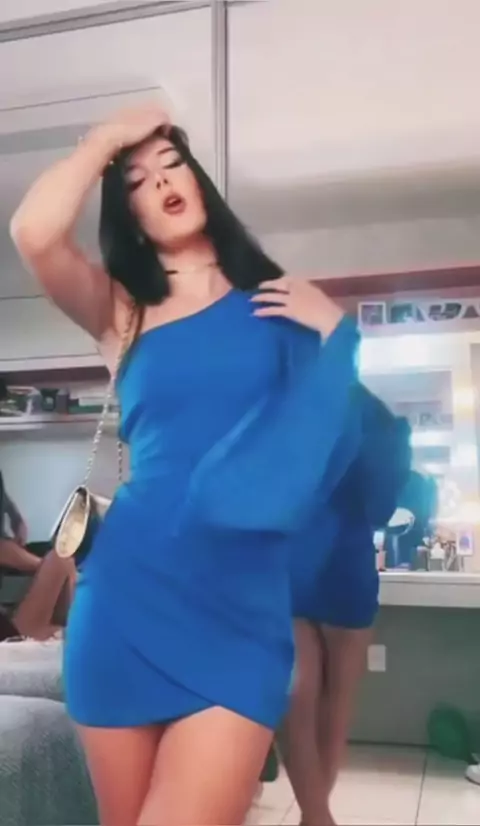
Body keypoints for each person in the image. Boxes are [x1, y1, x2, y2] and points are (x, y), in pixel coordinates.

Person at [10, 104, 360, 826]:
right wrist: (107, 141)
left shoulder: (279, 306)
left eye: (173, 166)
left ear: (200, 183)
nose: (162, 182)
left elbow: (325, 453)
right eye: (138, 181)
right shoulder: (124, 308)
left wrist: (339, 338)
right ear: (130, 216)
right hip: (125, 600)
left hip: (241, 613)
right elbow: (34, 232)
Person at [282, 388, 411, 826]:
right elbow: (382, 507)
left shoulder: (283, 402)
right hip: (345, 561)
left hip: (294, 560)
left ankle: (315, 817)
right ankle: (317, 817)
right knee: (334, 704)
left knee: (297, 702)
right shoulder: (369, 411)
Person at [0, 464, 40, 575]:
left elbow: (9, 507)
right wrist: (44, 566)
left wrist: (19, 523)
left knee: (52, 550)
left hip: (8, 550)